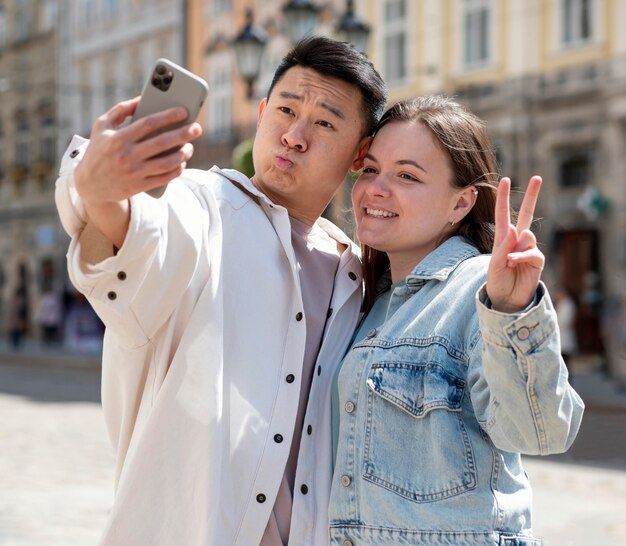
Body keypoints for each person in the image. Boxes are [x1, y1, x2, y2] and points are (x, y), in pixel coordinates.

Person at [54, 36, 386, 545]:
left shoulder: (354, 272)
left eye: (324, 123)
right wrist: (103, 193)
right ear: (260, 114)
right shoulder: (204, 203)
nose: (295, 136)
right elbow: (138, 239)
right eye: (286, 110)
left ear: (360, 153)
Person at [329, 96, 584, 546]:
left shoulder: (476, 289)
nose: (375, 189)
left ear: (461, 203)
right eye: (370, 169)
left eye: (407, 176)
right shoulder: (365, 300)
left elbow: (541, 431)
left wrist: (510, 311)